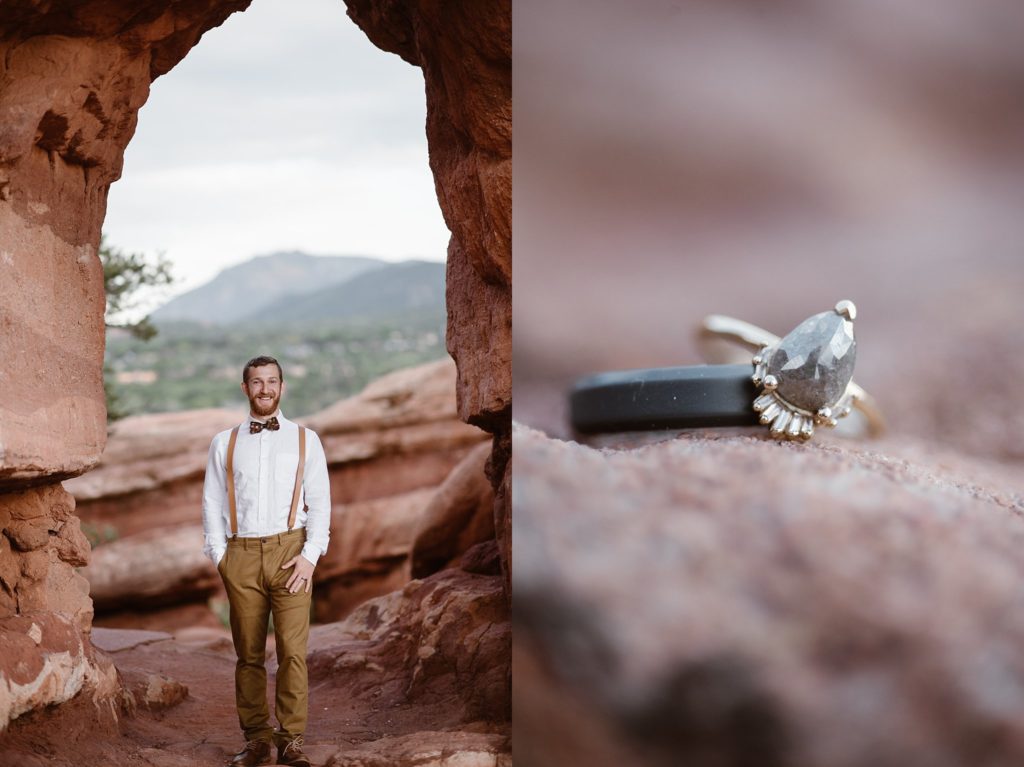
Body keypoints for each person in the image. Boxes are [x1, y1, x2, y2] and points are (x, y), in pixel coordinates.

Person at [202, 355, 331, 767]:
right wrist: (221, 556)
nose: (265, 389)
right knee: (249, 654)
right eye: (256, 382)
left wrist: (310, 555)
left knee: (293, 652)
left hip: (291, 553)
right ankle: (256, 738)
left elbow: (322, 502)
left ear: (282, 387)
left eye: (272, 381)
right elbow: (212, 500)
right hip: (240, 554)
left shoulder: (305, 439)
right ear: (245, 389)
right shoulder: (225, 442)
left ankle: (290, 741)